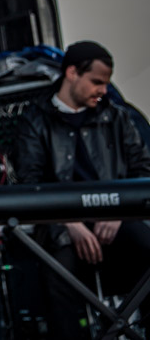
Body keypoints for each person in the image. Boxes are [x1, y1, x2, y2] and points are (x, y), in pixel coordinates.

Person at [15, 41, 150, 339]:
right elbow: (29, 184)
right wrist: (70, 223)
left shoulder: (116, 116)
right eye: (97, 82)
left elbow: (143, 169)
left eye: (106, 83)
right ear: (72, 73)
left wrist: (119, 212)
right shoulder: (35, 120)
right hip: (62, 227)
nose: (103, 90)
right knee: (57, 277)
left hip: (116, 218)